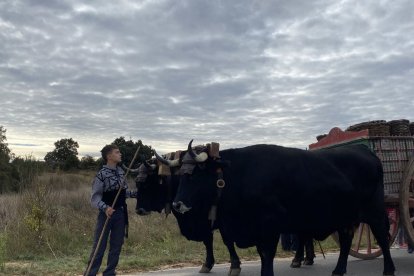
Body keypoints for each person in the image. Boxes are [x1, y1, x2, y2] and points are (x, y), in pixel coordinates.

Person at [86, 144, 136, 276]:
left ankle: (109, 273)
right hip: (106, 215)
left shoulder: (121, 172)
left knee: (116, 246)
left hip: (120, 213)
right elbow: (95, 197)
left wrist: (137, 194)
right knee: (99, 246)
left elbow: (123, 193)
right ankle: (90, 273)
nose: (120, 154)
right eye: (117, 152)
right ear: (109, 156)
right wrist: (105, 208)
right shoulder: (101, 175)